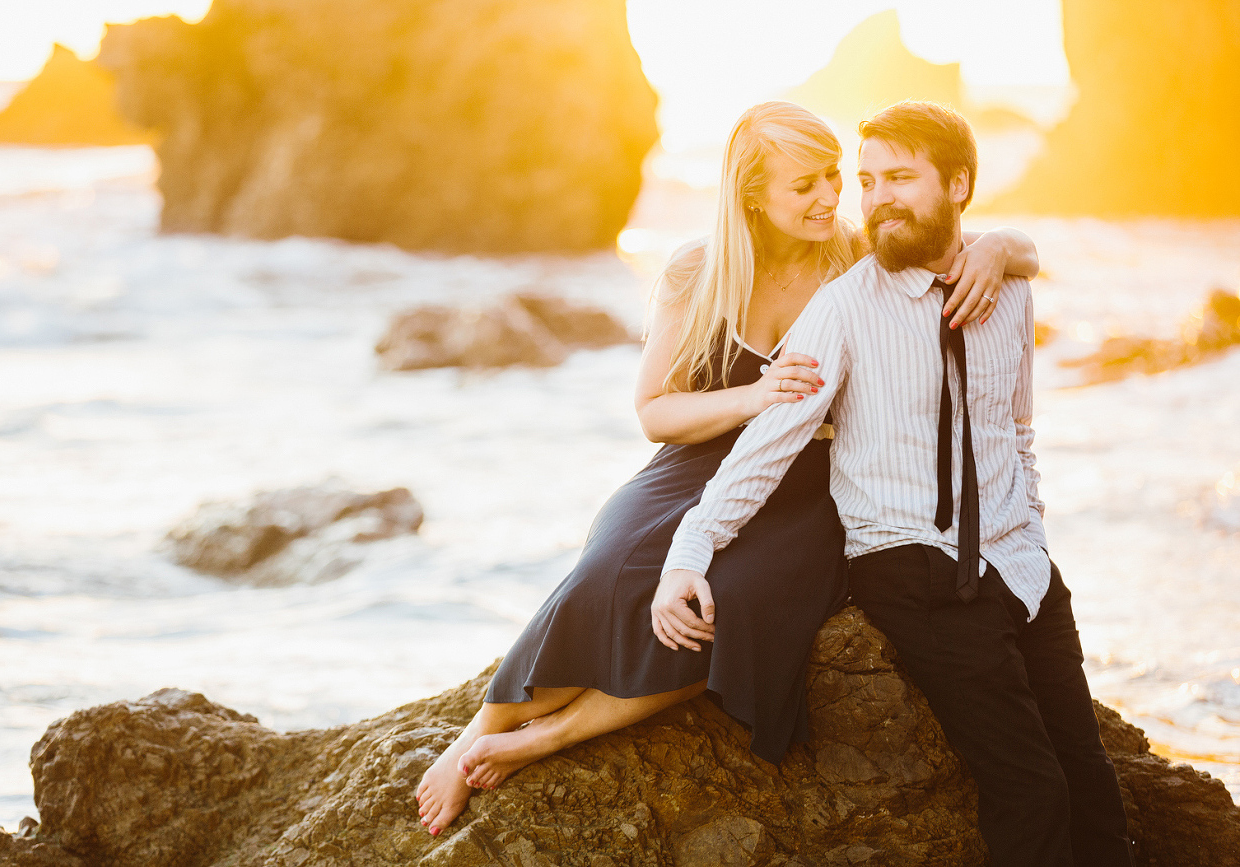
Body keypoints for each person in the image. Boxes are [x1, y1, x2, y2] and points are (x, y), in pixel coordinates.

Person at [414, 100, 1040, 836]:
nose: (830, 197)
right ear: (752, 195)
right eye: (803, 185)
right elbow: (653, 410)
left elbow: (975, 244)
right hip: (692, 466)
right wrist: (753, 394)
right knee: (607, 573)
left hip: (811, 487)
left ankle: (544, 736)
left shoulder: (853, 259)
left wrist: (999, 247)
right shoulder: (695, 272)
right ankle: (469, 740)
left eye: (833, 177)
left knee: (729, 607)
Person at [657, 101, 1133, 866]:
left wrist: (1034, 534)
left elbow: (1015, 432)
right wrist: (690, 551)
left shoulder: (1007, 288)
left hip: (1018, 558)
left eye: (900, 179)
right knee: (1030, 787)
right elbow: (766, 445)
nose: (876, 197)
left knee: (1092, 777)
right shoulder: (842, 308)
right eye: (868, 180)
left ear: (958, 186)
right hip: (909, 561)